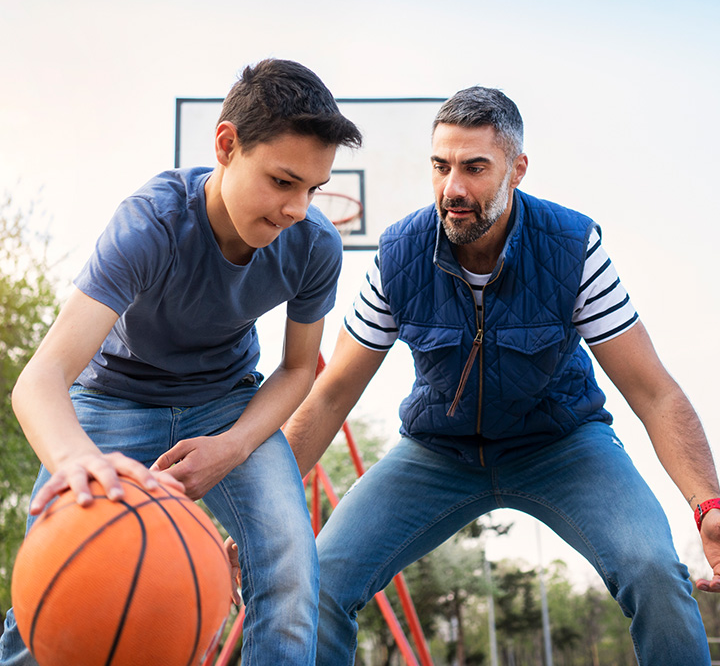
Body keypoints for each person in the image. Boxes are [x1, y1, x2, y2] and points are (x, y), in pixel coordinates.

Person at [280, 86, 720, 664]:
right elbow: (331, 392)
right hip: (440, 451)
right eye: (441, 167)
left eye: (474, 168)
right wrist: (271, 508)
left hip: (561, 444)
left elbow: (654, 392)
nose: (453, 189)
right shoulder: (397, 257)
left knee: (654, 569)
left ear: (517, 169)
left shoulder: (573, 249)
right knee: (323, 581)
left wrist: (708, 505)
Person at [0, 58, 362, 666]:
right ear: (227, 145)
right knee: (60, 571)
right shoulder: (151, 224)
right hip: (112, 397)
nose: (298, 206)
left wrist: (236, 444)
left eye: (313, 189)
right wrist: (80, 462)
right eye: (282, 181)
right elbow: (39, 380)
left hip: (226, 402)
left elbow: (300, 368)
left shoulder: (314, 245)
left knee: (293, 569)